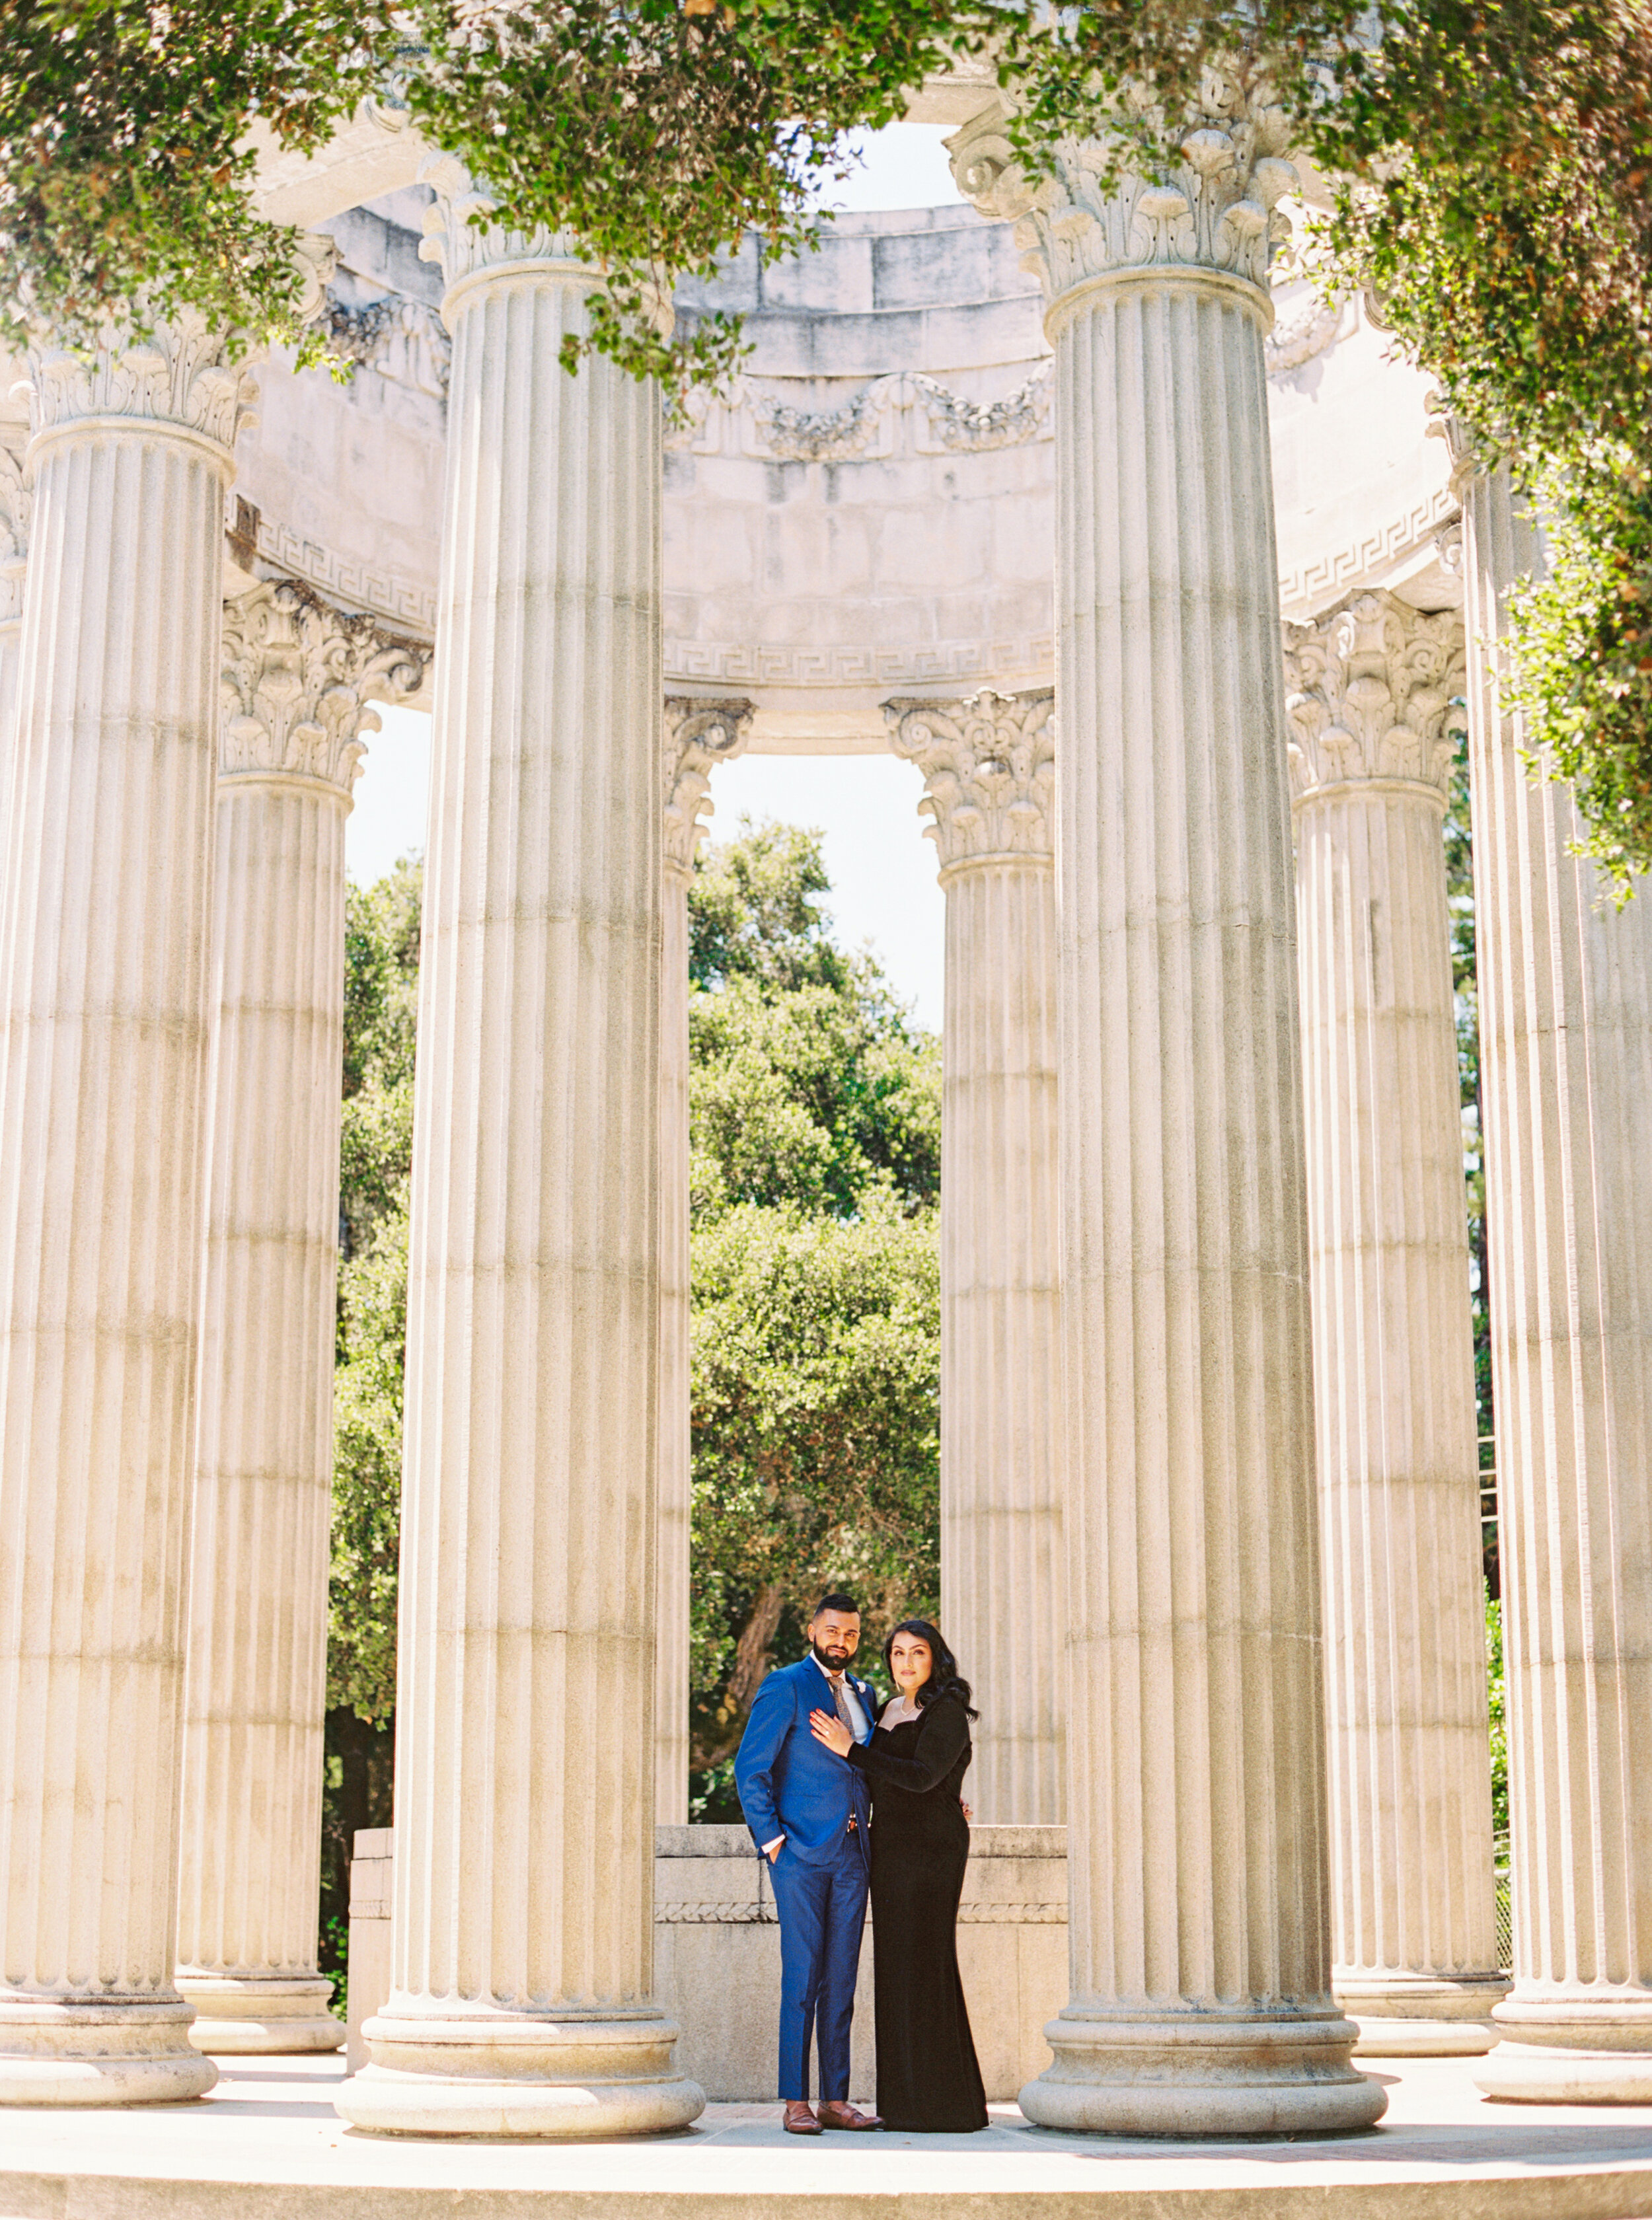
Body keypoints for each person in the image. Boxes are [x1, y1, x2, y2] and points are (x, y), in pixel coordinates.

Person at [809, 1617, 988, 2133]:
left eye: (917, 1653)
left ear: (936, 1660)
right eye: (897, 1654)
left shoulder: (947, 1711)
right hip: (889, 1849)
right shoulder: (887, 1710)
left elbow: (923, 1776)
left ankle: (947, 2107)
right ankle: (906, 2105)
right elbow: (881, 1779)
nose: (905, 1663)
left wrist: (852, 1749)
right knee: (896, 1970)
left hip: (932, 1852)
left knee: (927, 1965)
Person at [734, 1592, 885, 2136]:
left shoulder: (866, 1694)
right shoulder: (785, 1684)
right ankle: (796, 2099)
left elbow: (871, 1769)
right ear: (812, 1630)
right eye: (832, 1631)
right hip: (799, 1856)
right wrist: (773, 1841)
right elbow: (750, 1769)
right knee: (802, 1976)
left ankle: (835, 2099)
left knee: (841, 1980)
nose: (840, 1641)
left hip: (854, 1858)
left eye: (850, 1633)